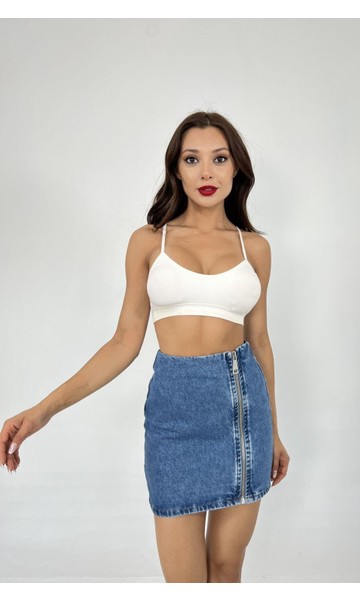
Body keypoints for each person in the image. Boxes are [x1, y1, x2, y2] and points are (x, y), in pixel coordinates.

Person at [0, 110, 290, 583]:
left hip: (243, 416)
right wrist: (43, 411)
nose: (207, 172)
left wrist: (274, 431)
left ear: (236, 167)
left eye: (219, 158)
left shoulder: (254, 248)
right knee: (185, 582)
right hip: (175, 421)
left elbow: (260, 342)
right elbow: (123, 342)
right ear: (176, 169)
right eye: (192, 159)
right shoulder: (148, 242)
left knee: (225, 570)